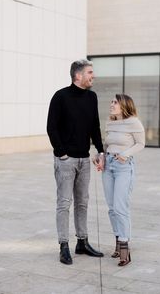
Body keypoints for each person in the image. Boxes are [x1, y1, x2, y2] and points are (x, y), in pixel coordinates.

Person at [47, 59, 104, 265]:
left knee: (83, 202)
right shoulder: (60, 97)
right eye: (90, 72)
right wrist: (61, 153)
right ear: (77, 75)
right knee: (64, 203)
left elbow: (95, 126)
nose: (93, 76)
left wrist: (100, 150)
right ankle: (64, 245)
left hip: (84, 159)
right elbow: (51, 127)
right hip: (66, 160)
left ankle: (82, 242)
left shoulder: (92, 97)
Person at [95, 94, 145, 266]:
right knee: (111, 208)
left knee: (120, 207)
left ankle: (125, 248)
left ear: (124, 105)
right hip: (108, 166)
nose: (112, 104)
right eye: (111, 101)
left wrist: (125, 154)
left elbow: (140, 143)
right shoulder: (110, 123)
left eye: (115, 102)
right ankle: (117, 242)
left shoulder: (134, 122)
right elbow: (107, 145)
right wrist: (100, 157)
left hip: (124, 167)